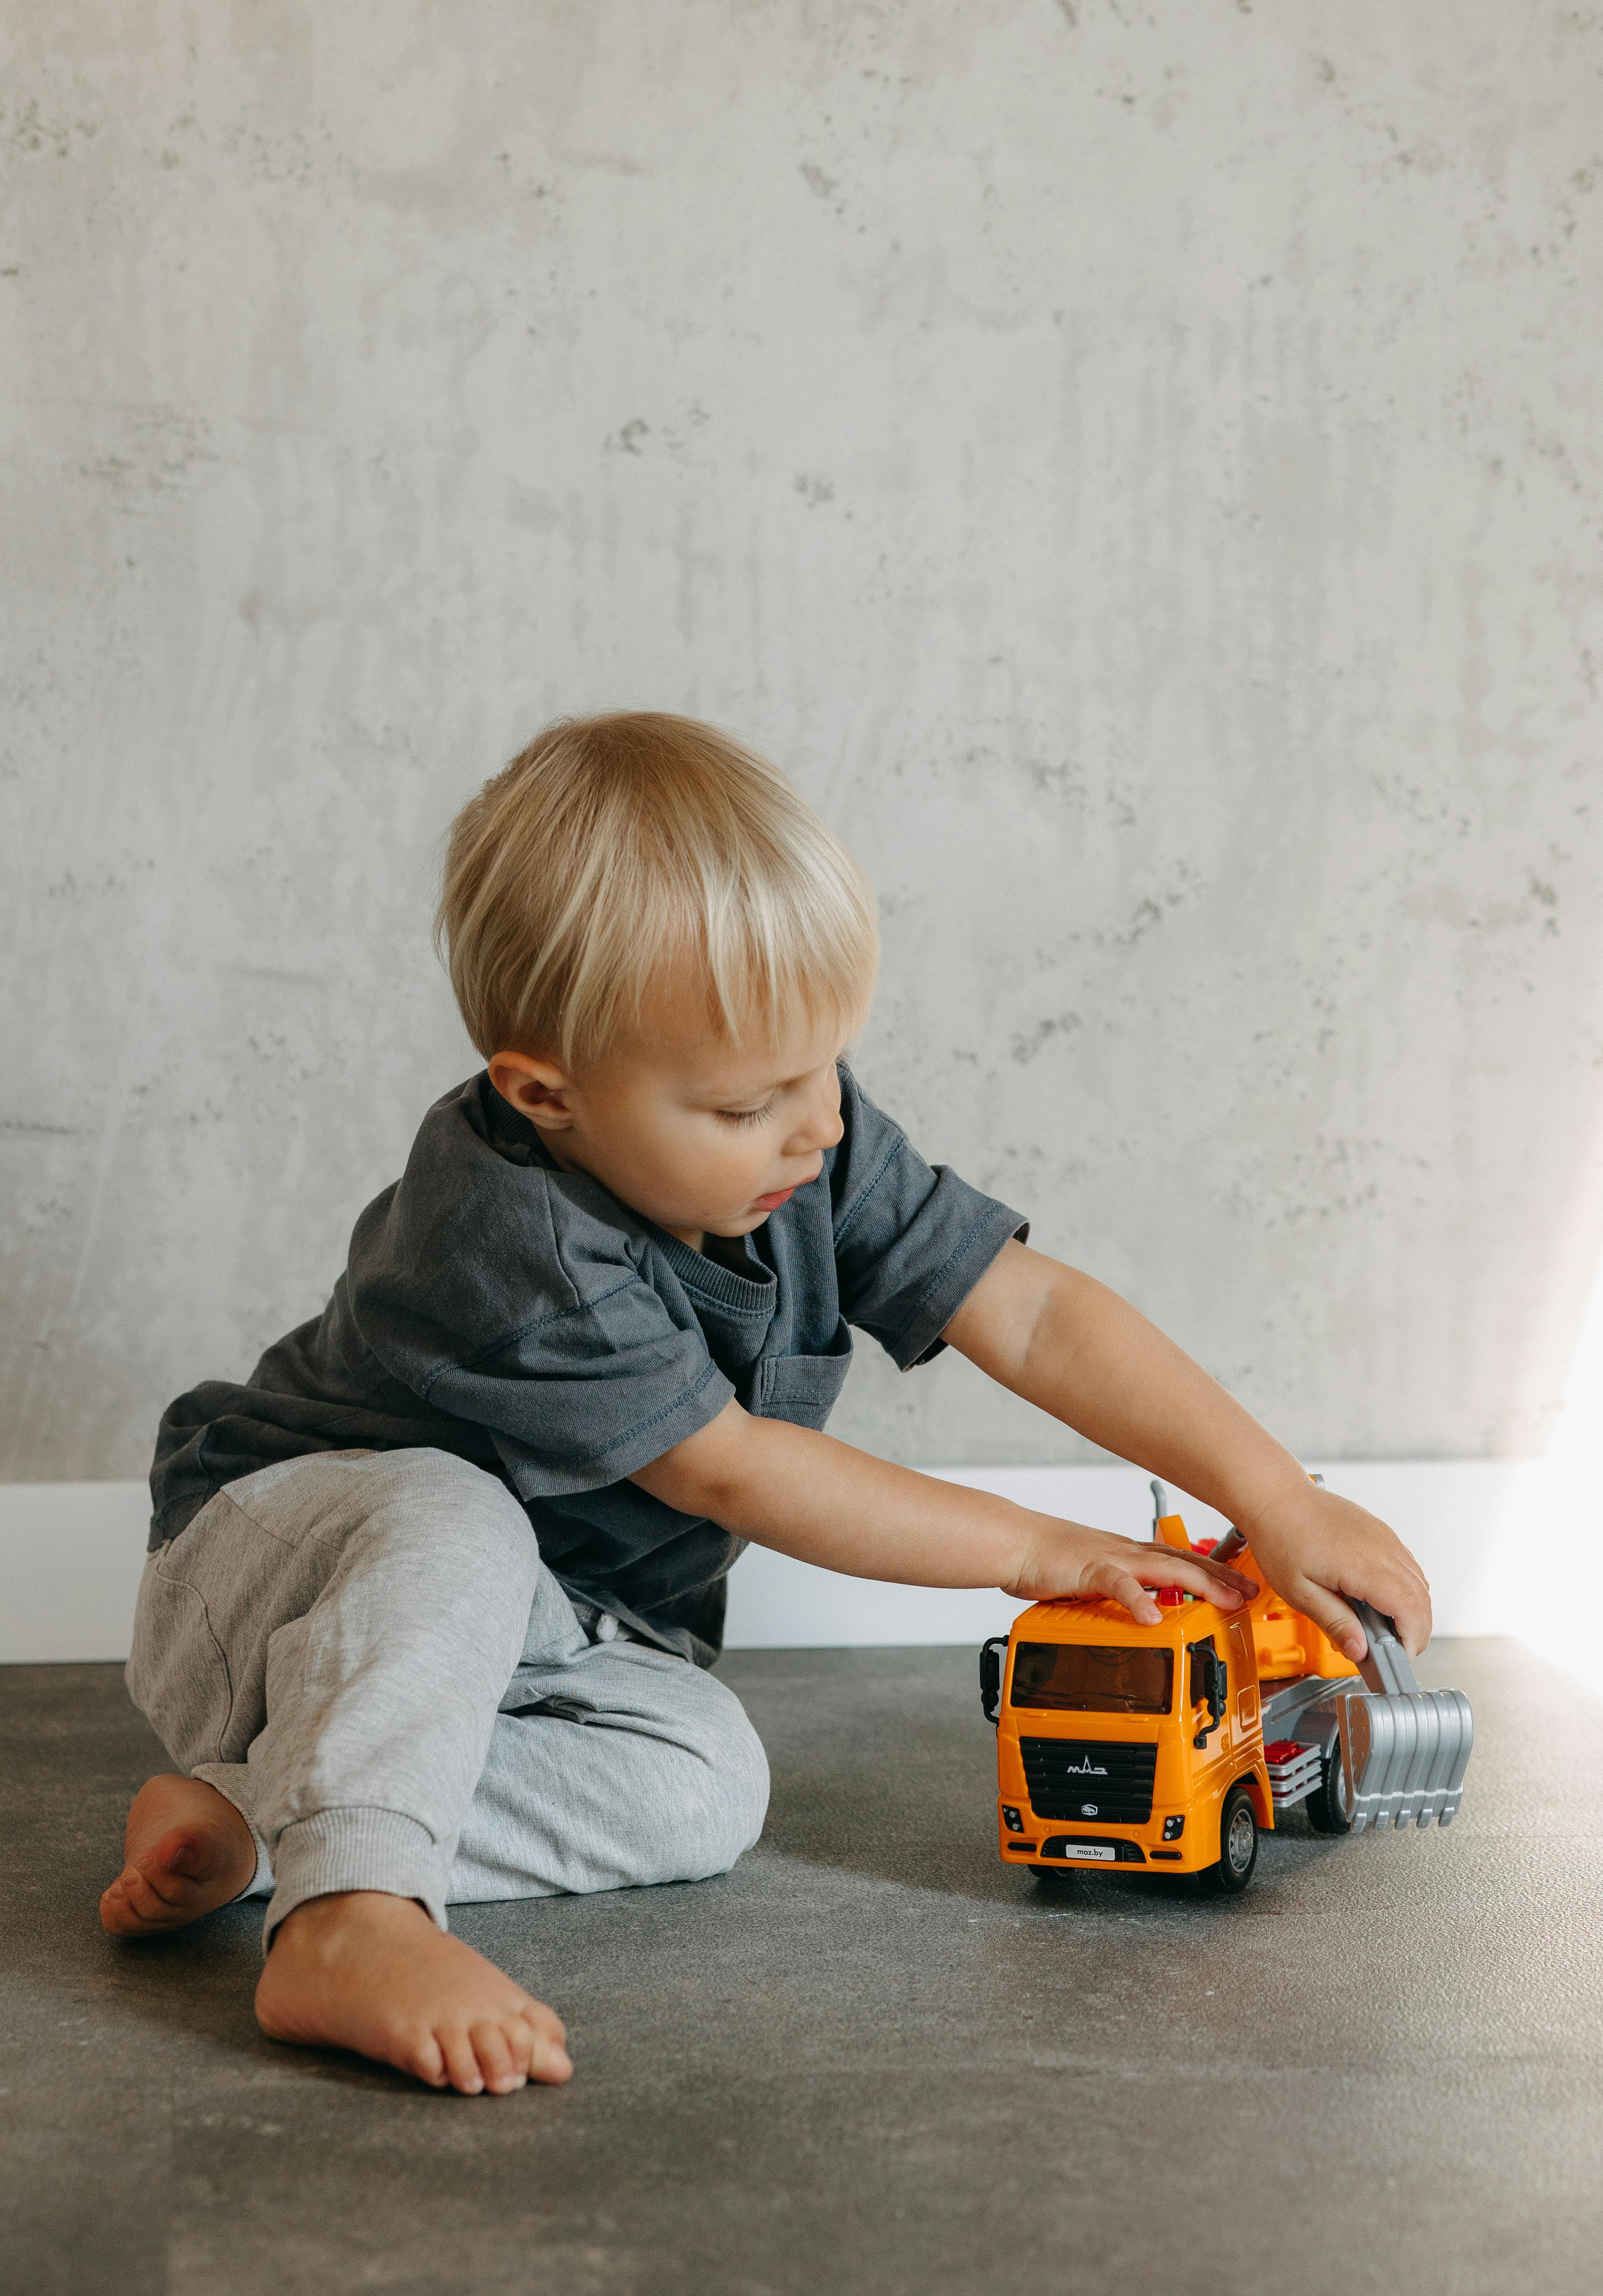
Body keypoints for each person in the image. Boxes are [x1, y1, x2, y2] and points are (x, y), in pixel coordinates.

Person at [100, 711, 1430, 2096]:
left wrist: (1271, 1494)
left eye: (827, 1069)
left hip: (540, 1643)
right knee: (460, 1512)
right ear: (545, 1092)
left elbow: (1026, 1307)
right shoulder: (510, 1234)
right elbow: (730, 1469)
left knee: (705, 1777)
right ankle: (347, 1919)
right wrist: (1040, 1550)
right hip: (274, 1574)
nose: (821, 1127)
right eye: (749, 1103)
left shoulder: (800, 1138)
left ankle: (266, 1829)